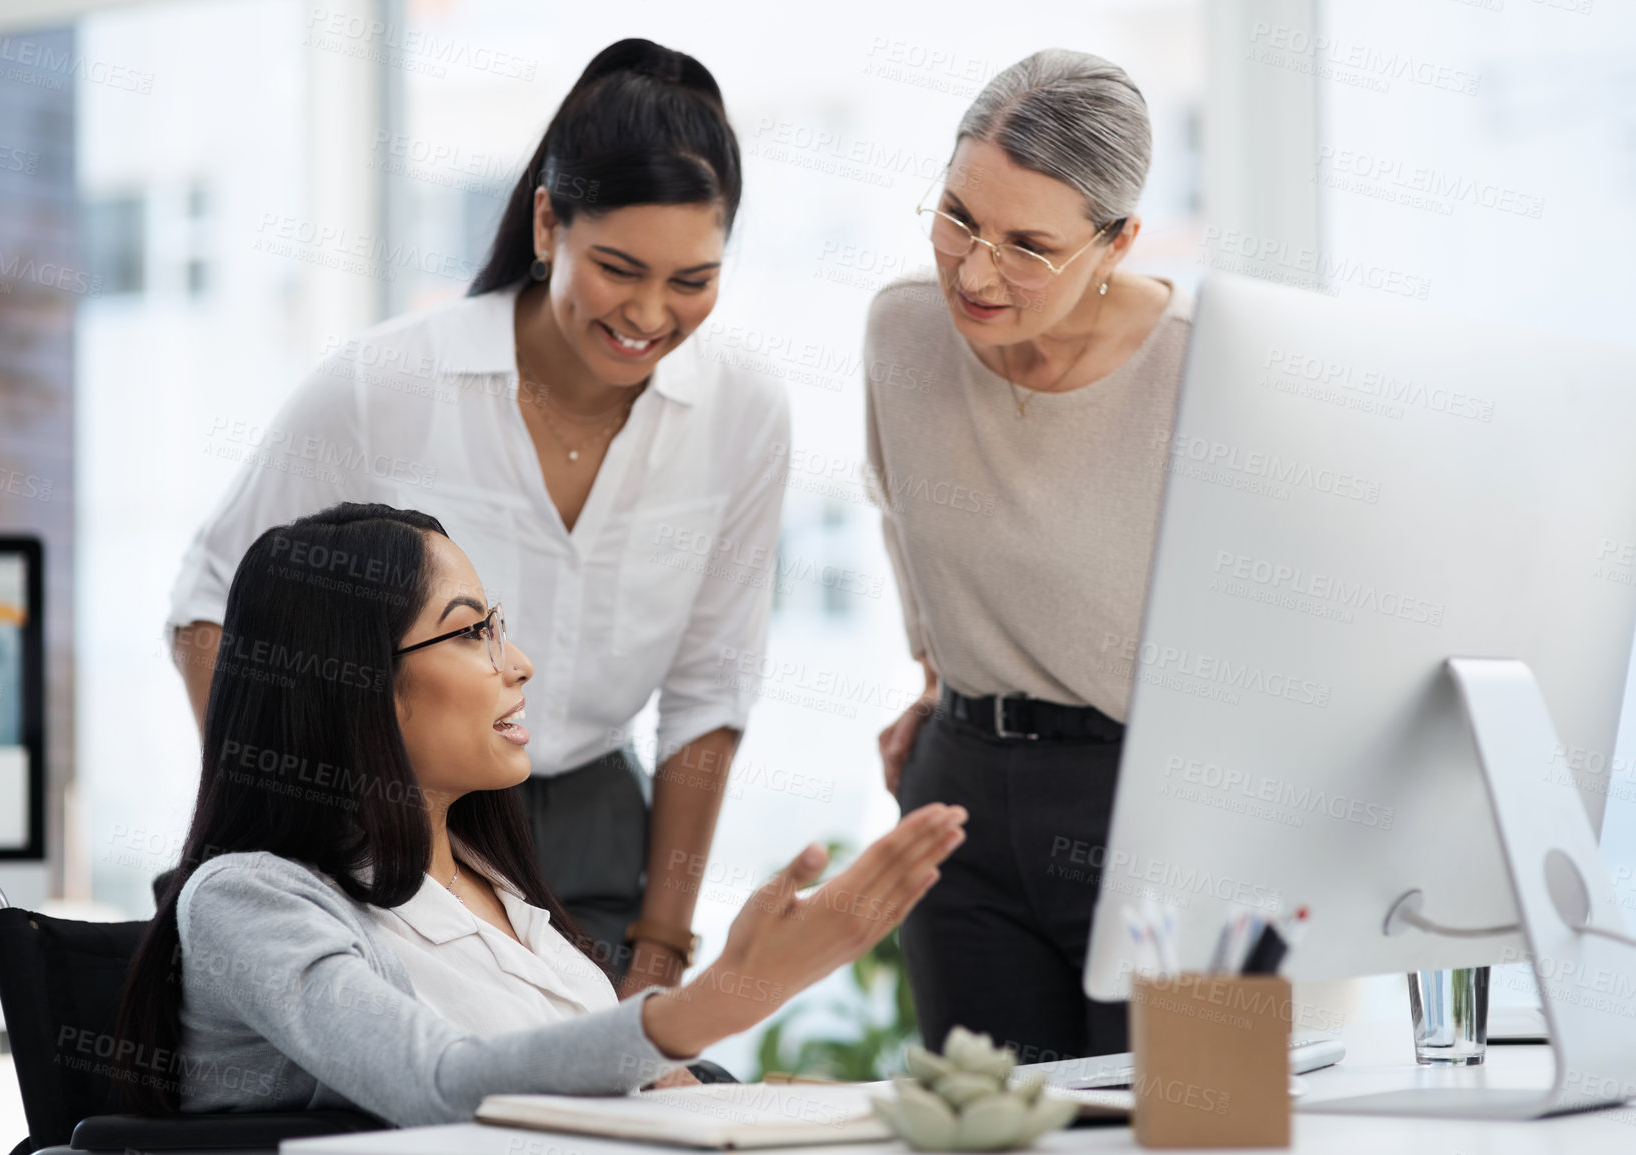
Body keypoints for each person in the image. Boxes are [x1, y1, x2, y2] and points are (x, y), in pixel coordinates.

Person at [167, 39, 788, 995]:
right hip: (394, 813)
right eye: (619, 267)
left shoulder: (744, 413)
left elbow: (709, 690)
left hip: (594, 827)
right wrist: (314, 821)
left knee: (630, 1120)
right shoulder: (388, 384)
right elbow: (211, 609)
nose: (650, 314)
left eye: (692, 281)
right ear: (548, 224)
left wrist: (658, 952)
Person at [116, 504, 966, 1126]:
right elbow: (437, 1081)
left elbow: (622, 1087)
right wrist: (713, 1001)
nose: (515, 662)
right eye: (470, 632)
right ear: (354, 680)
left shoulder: (493, 886)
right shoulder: (247, 899)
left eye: (499, 626)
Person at [865, 49, 1193, 1062]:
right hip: (961, 798)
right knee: (985, 1131)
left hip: (1162, 804)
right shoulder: (901, 330)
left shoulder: (1208, 366)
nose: (973, 271)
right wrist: (935, 683)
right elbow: (906, 523)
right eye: (959, 216)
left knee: (1197, 1126)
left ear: (1118, 242)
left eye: (1026, 245)